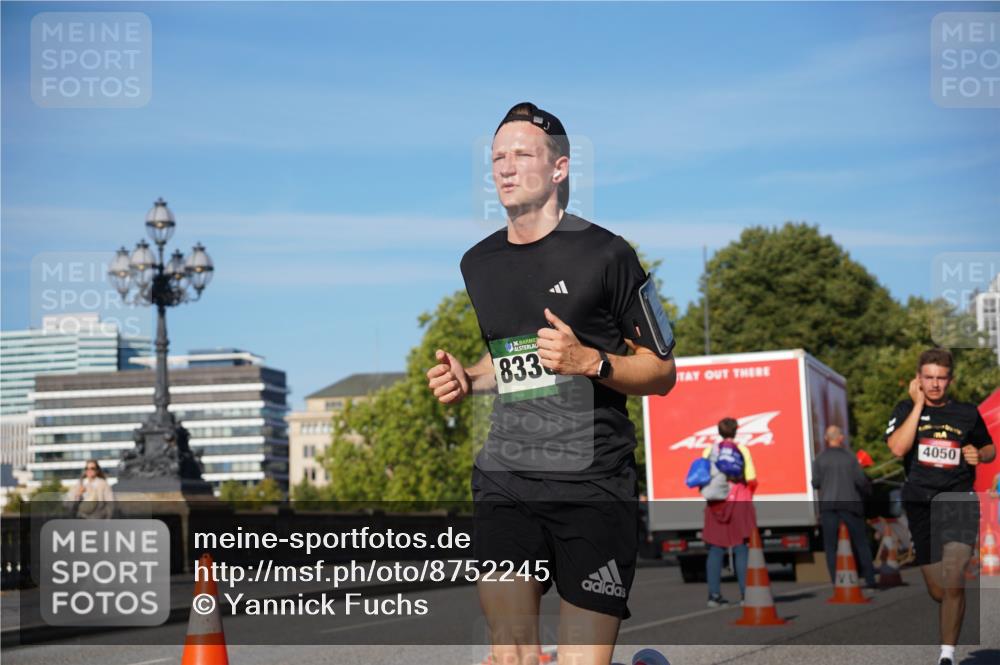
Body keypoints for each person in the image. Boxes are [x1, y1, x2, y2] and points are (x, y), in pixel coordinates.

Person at [426, 101, 677, 665]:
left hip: (594, 482)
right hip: (507, 476)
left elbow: (662, 372)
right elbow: (516, 358)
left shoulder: (608, 254)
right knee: (509, 654)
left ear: (560, 168)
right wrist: (470, 376)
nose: (505, 167)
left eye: (522, 154)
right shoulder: (478, 263)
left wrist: (592, 361)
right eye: (496, 157)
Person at [885, 348, 995, 665]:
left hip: (958, 498)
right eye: (929, 378)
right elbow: (898, 448)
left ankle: (946, 655)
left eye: (941, 378)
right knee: (939, 589)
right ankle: (948, 612)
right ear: (918, 379)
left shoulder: (967, 413)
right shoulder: (905, 408)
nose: (935, 384)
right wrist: (918, 404)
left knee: (955, 576)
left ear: (950, 380)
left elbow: (988, 447)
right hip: (921, 503)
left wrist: (980, 454)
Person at [700, 417, 757, 607]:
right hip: (739, 500)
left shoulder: (709, 451)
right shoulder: (742, 450)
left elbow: (703, 476)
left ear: (719, 431)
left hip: (716, 502)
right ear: (736, 431)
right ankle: (745, 594)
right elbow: (751, 478)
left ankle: (713, 596)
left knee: (716, 549)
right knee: (741, 547)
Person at [812, 425, 876, 589]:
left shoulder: (819, 459)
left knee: (830, 545)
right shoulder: (850, 458)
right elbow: (861, 481)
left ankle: (836, 581)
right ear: (841, 438)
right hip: (850, 505)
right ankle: (870, 578)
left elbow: (816, 483)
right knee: (861, 542)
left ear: (826, 439)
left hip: (828, 506)